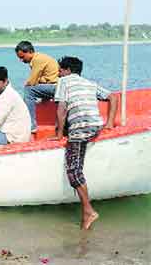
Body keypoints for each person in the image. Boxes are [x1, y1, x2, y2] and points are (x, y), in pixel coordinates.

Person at [53, 56, 118, 230]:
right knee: (76, 161)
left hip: (81, 127)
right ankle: (87, 211)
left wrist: (59, 135)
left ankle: (88, 211)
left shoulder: (64, 81)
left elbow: (61, 108)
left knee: (73, 171)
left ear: (66, 70)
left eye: (60, 70)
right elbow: (113, 97)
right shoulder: (88, 83)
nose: (58, 73)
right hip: (95, 125)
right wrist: (110, 122)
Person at [15, 41, 59, 132]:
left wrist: (27, 84)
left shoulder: (37, 59)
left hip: (55, 87)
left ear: (30, 51)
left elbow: (32, 81)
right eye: (19, 58)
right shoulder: (39, 58)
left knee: (28, 90)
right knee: (33, 89)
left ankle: (31, 125)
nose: (21, 60)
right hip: (53, 86)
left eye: (22, 57)